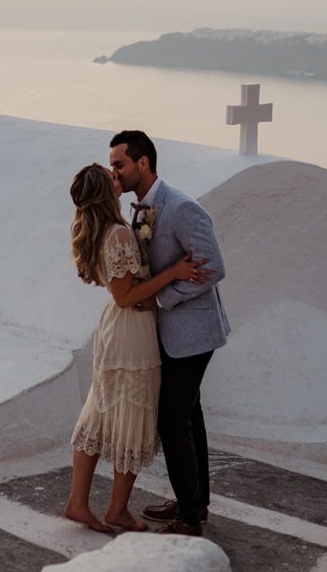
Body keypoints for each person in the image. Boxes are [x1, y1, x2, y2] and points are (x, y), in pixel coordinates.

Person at [64, 163, 210, 534]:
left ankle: (78, 503)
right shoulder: (116, 234)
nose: (119, 178)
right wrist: (173, 273)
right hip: (131, 332)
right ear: (104, 191)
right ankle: (116, 510)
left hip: (118, 329)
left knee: (100, 413)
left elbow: (123, 290)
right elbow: (125, 296)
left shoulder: (102, 229)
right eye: (112, 177)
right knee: (130, 413)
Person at [109, 130, 229, 537]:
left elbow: (213, 267)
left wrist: (164, 298)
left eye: (119, 164)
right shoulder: (142, 208)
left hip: (194, 333)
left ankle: (189, 521)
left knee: (172, 421)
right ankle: (196, 503)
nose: (115, 172)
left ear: (143, 163)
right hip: (172, 333)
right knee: (190, 417)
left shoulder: (180, 207)